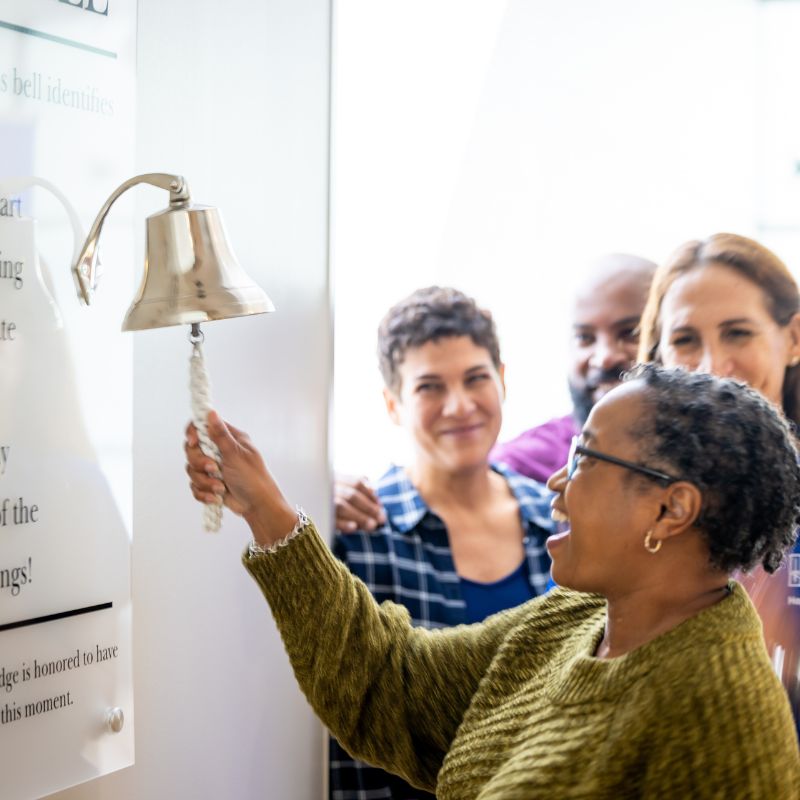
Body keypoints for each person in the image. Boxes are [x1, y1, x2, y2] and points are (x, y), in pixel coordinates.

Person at [185, 365, 800, 798]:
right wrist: (267, 510)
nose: (557, 482)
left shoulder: (724, 720)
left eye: (584, 459)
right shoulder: (574, 617)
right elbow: (392, 682)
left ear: (671, 510)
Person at [333, 287, 555, 798]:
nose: (460, 405)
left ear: (502, 379)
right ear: (393, 405)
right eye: (430, 387)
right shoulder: (359, 535)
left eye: (476, 378)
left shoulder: (557, 523)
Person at [336, 254, 656, 532]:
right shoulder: (537, 477)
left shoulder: (538, 519)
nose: (604, 357)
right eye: (584, 337)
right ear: (393, 405)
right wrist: (320, 499)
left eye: (630, 333)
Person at [637, 232, 800, 736]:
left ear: (793, 339)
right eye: (686, 340)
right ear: (659, 356)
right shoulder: (623, 503)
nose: (712, 368)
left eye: (737, 333)